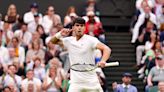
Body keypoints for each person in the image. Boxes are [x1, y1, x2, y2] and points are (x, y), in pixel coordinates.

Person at [50, 17, 111, 92]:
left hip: (91, 82)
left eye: (82, 26)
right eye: (77, 25)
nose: (79, 28)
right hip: (76, 83)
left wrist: (103, 60)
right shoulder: (69, 41)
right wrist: (60, 34)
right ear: (73, 28)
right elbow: (52, 41)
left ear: (85, 28)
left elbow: (107, 49)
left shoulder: (91, 40)